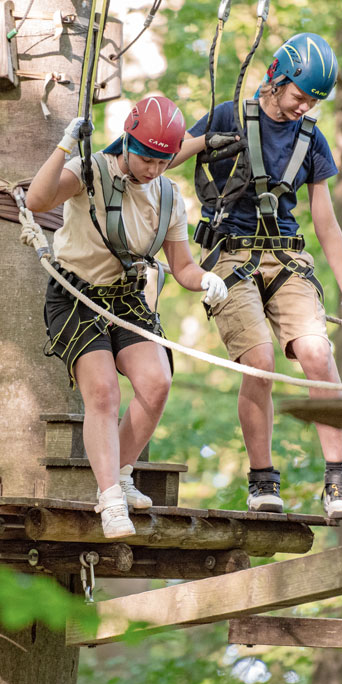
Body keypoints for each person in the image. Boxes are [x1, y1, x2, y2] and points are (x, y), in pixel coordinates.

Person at [171, 33, 342, 520]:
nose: (304, 107)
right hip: (231, 256)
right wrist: (203, 142)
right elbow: (163, 155)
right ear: (276, 78)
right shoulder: (228, 116)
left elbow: (326, 223)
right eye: (299, 95)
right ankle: (262, 481)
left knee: (317, 352)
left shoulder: (311, 138)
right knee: (259, 359)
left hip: (286, 257)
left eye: (313, 101)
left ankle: (338, 480)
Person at [26, 96, 227, 538]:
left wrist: (205, 280)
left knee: (156, 383)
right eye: (146, 157)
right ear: (128, 142)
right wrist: (64, 146)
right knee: (102, 391)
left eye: (163, 160)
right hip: (76, 295)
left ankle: (119, 472)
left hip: (126, 299)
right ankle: (110, 500)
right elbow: (38, 200)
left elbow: (183, 266)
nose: (154, 168)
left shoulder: (169, 196)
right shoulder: (91, 171)